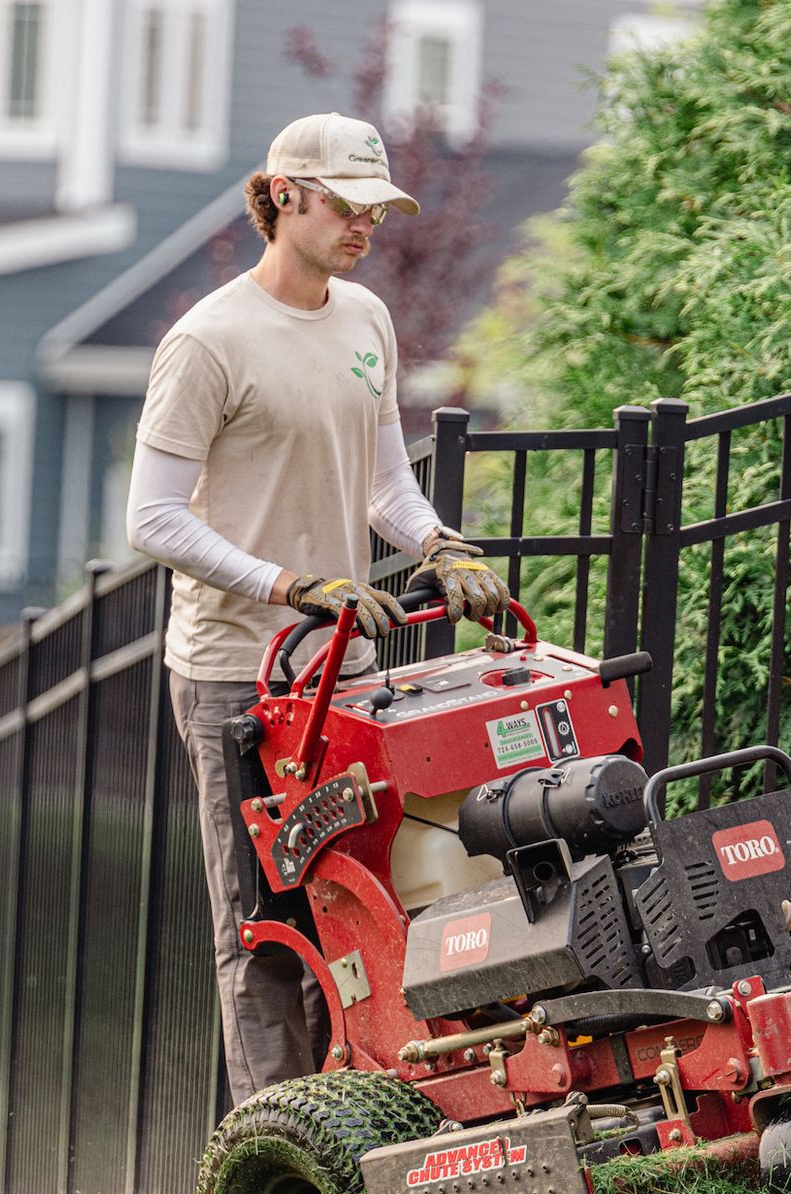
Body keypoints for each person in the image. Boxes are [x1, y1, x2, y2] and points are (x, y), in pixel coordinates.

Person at [126, 112, 509, 1106]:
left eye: (377, 209)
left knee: (364, 899)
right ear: (283, 194)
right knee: (262, 923)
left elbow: (386, 486)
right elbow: (153, 517)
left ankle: (373, 1106)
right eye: (346, 203)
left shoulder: (366, 320)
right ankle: (284, 1150)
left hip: (345, 668)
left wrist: (438, 542)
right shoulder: (208, 341)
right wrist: (288, 584)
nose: (364, 227)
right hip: (234, 674)